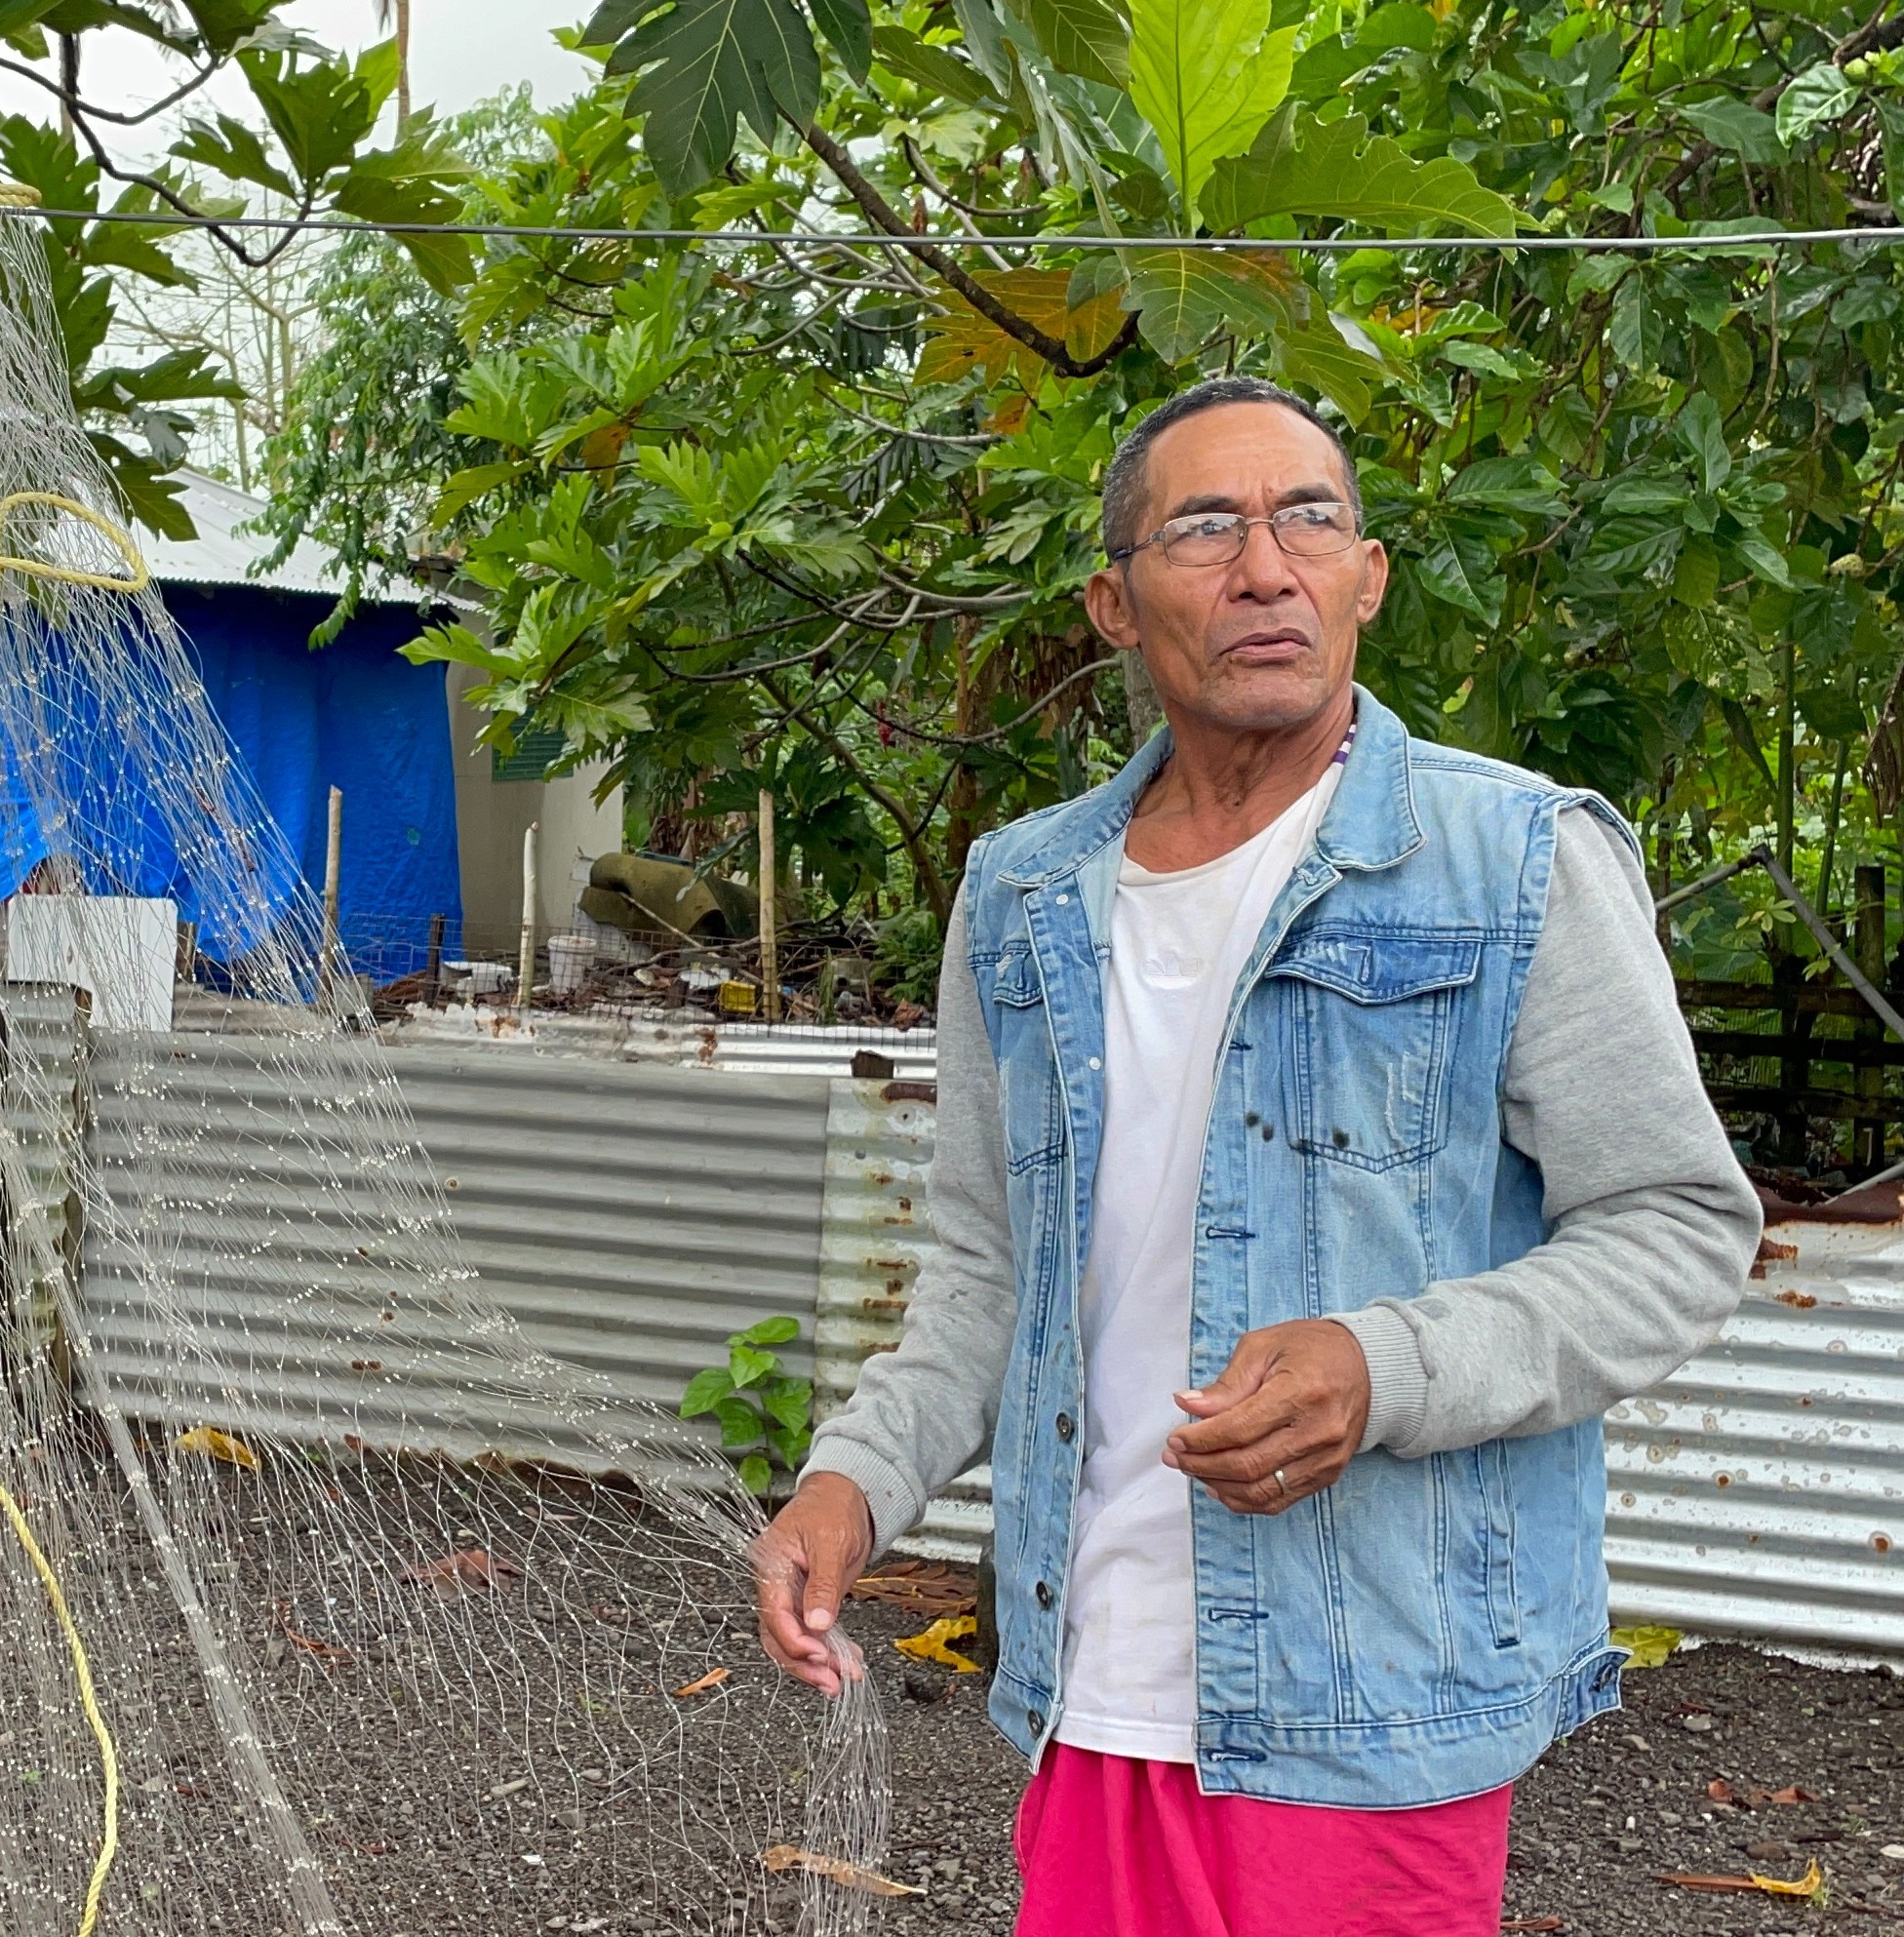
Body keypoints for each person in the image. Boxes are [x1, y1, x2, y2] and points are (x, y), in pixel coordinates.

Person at [750, 378, 1761, 1936]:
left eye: (1311, 520)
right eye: (1206, 526)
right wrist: (854, 1480)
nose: (1266, 567)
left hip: (1374, 1689)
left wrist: (1384, 1364)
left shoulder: (1518, 859)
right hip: (1089, 1674)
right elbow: (987, 1266)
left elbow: (1678, 1225)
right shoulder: (1022, 895)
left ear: (1367, 577)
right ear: (1115, 600)